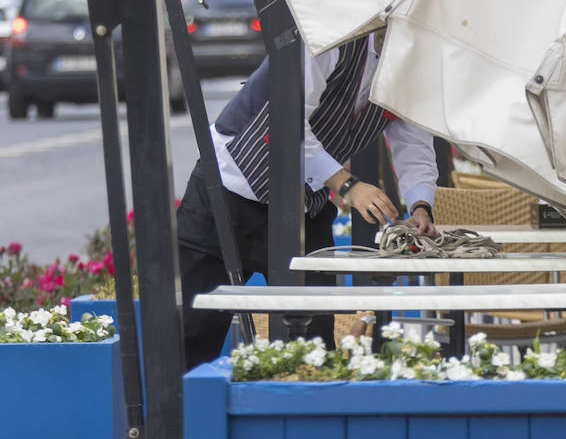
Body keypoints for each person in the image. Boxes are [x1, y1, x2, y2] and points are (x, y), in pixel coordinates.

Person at [176, 27, 439, 368]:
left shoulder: (408, 72)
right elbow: (285, 121)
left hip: (303, 209)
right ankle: (176, 421)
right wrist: (347, 186)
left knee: (313, 347)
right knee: (191, 339)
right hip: (226, 191)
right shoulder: (327, 36)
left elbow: (414, 148)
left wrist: (420, 205)